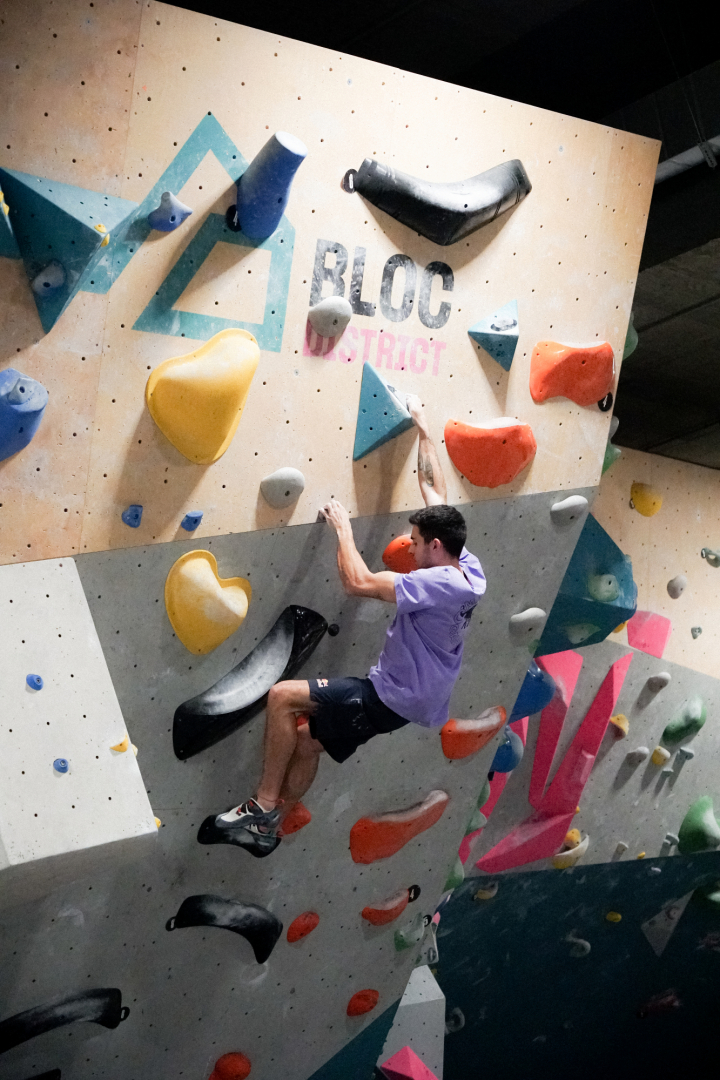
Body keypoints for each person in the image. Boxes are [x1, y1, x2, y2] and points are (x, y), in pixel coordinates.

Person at [211, 396, 486, 856]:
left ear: (436, 548)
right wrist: (423, 431)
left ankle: (260, 805)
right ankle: (270, 826)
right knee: (306, 739)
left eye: (416, 544)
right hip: (409, 698)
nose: (411, 548)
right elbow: (435, 491)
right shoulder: (467, 567)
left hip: (388, 696)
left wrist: (342, 527)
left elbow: (357, 582)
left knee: (282, 697)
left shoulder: (435, 584)